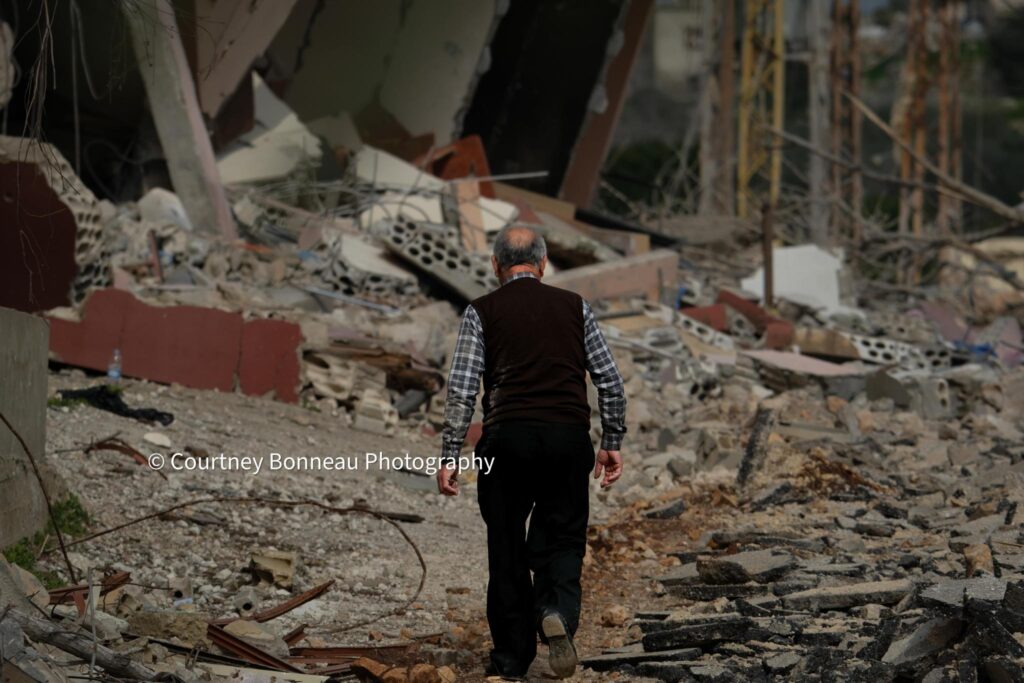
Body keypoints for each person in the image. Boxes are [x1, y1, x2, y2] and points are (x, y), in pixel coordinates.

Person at [436, 225, 626, 680]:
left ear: (495, 266)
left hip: (505, 441)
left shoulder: (481, 311)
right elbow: (610, 382)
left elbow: (462, 391)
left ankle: (510, 660)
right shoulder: (575, 307)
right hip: (566, 438)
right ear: (543, 264)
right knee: (562, 535)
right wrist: (612, 441)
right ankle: (555, 608)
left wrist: (449, 454)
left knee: (505, 547)